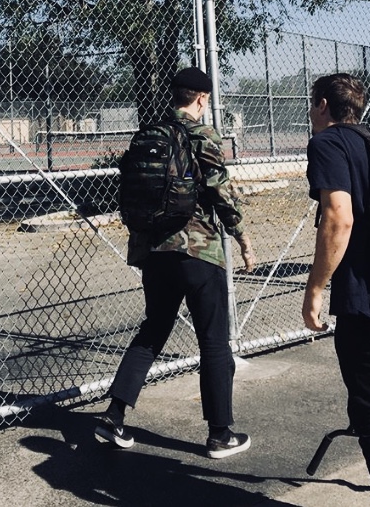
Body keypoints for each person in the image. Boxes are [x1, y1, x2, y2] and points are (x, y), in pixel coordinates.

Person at [95, 66, 256, 457]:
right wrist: (244, 237)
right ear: (201, 98)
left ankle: (114, 415)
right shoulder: (202, 134)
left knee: (153, 331)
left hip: (155, 252)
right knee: (214, 341)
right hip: (199, 252)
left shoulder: (149, 133)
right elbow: (221, 192)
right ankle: (220, 434)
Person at [303, 73, 370, 501]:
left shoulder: (328, 143)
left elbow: (339, 217)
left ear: (324, 106)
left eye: (312, 104)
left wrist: (315, 289)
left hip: (366, 301)